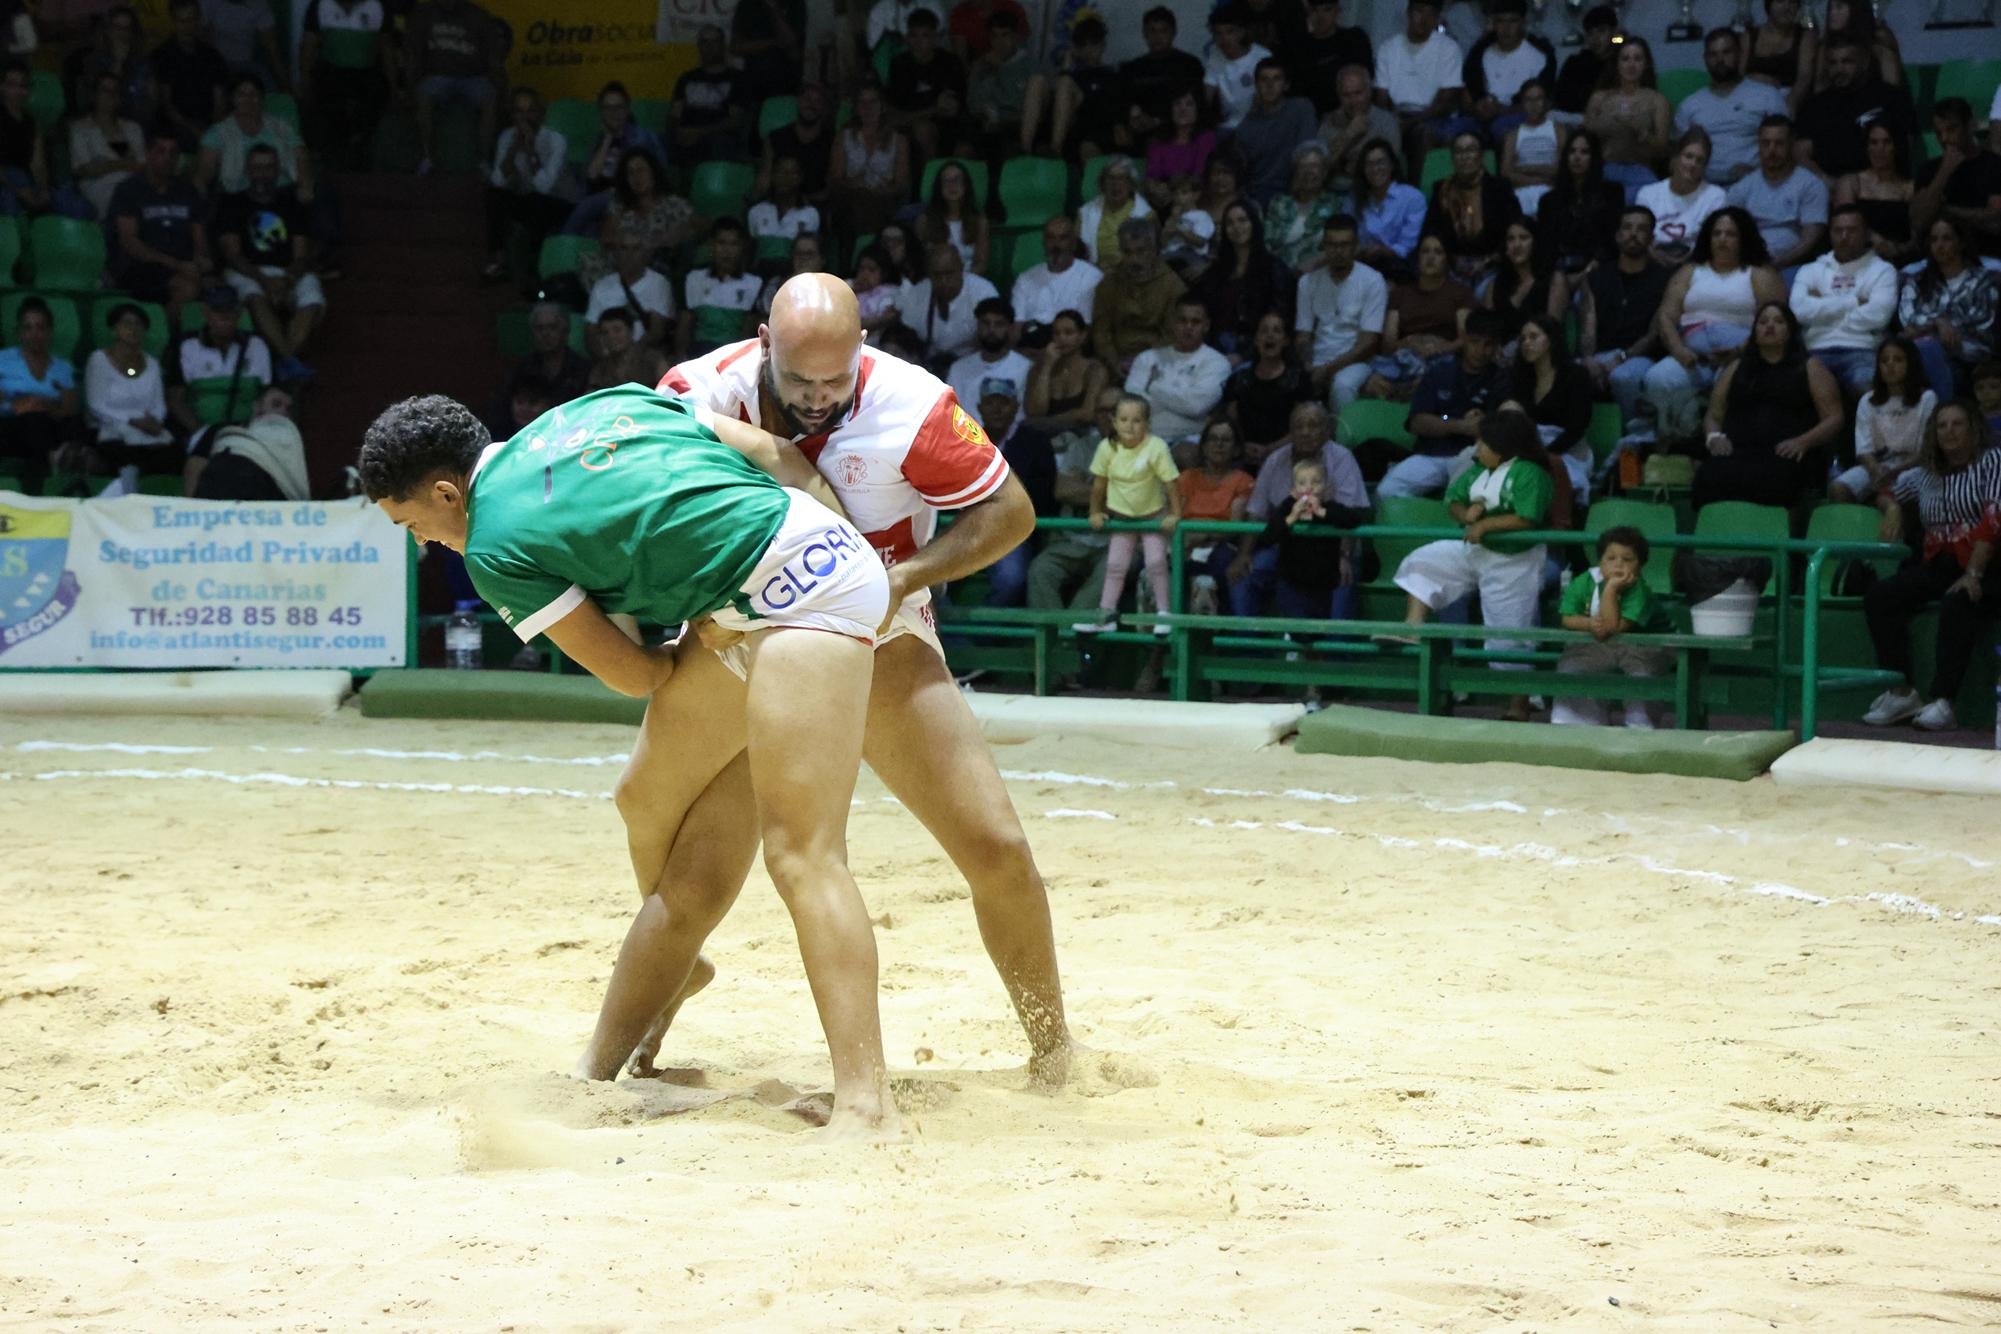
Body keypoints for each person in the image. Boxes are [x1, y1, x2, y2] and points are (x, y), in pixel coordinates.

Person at [360, 384, 901, 1139]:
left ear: (448, 493)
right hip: (753, 586)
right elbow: (763, 451)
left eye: (414, 524)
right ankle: (610, 1055)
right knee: (642, 795)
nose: (423, 543)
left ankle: (867, 1105)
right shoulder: (580, 409)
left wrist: (717, 619)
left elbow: (637, 676)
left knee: (802, 855)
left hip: (804, 593)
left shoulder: (490, 548)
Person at [638, 276, 1075, 1094]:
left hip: (873, 630)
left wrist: (904, 580)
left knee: (996, 847)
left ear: (862, 347)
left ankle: (1051, 1048)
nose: (816, 398)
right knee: (673, 847)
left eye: (834, 382)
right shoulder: (694, 392)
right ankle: (634, 1044)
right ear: (763, 344)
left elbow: (1010, 514)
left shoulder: (912, 405)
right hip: (736, 633)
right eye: (799, 382)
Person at [1387, 406, 1551, 720]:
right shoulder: (1478, 469)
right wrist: (1466, 515)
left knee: (1509, 636)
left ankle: (1518, 706)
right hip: (1474, 550)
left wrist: (1486, 525)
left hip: (1514, 560)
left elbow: (1527, 518)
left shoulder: (1532, 473)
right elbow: (1454, 500)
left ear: (1504, 447)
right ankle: (1412, 627)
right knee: (1423, 561)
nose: (1477, 449)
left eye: (1483, 443)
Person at [1861, 399, 2000, 731]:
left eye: (1957, 424)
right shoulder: (1923, 475)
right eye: (1942, 425)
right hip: (1940, 563)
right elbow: (1883, 491)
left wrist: (1974, 574)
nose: (1949, 432)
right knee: (1880, 596)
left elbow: (1993, 519)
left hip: (1990, 564)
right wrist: (1892, 508)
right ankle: (1901, 691)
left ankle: (1943, 701)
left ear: (1973, 429)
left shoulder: (1993, 461)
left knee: (1958, 601)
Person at [1644, 206, 1786, 446]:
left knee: (1739, 384)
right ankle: (1680, 443)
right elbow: (1666, 317)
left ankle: (1729, 446)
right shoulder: (1689, 271)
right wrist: (1680, 351)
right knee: (1658, 379)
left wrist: (1741, 350)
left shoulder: (1760, 273)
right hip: (1692, 355)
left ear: (1743, 239)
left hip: (1742, 354)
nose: (1722, 239)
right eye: (1717, 233)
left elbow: (1777, 320)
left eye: (1730, 234)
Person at [1695, 300, 1842, 509]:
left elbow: (1834, 418)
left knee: (1775, 479)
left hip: (1787, 453)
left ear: (1790, 331)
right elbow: (1714, 414)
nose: (1770, 326)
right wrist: (1714, 437)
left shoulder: (1810, 367)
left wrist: (1803, 442)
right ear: (1754, 331)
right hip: (1738, 451)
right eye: (1763, 322)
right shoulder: (1736, 367)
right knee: (1708, 476)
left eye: (1778, 321)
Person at [1227, 399, 1365, 615]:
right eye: (1299, 426)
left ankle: (1336, 648)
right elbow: (1255, 512)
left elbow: (1351, 513)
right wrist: (1244, 554)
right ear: (1290, 431)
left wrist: (1343, 555)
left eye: (1313, 425)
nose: (1305, 432)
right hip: (1287, 549)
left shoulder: (1342, 458)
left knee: (1342, 579)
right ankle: (1249, 647)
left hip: (1331, 548)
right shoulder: (1275, 460)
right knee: (1244, 575)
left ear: (1327, 430)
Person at [1075, 391, 1180, 634]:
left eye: (1136, 420)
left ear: (1147, 424)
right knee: (1114, 566)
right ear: (1114, 422)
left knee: (1155, 562)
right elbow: (1099, 485)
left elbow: (1171, 483)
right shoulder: (1106, 448)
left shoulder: (1157, 447)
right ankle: (1106, 616)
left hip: (1152, 517)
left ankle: (1165, 614)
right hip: (1122, 518)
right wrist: (1095, 512)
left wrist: (1174, 514)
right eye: (1123, 420)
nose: (1129, 426)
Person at [1377, 307, 1509, 499]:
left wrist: (1484, 423)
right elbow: (1418, 422)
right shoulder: (1439, 372)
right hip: (1433, 454)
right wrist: (1459, 425)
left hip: (1477, 456)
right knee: (1386, 491)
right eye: (1474, 342)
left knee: (1469, 498)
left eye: (1488, 344)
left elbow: (1505, 425)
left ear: (1497, 346)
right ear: (1463, 339)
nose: (1480, 350)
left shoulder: (1501, 378)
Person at [216, 143, 323, 376]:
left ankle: (285, 361)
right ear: (248, 170)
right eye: (257, 167)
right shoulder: (232, 203)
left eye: (268, 167)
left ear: (277, 170)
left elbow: (301, 255)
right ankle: (289, 360)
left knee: (312, 299)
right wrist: (265, 280)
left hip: (287, 271)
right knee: (254, 297)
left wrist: (287, 279)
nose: (262, 173)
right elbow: (232, 255)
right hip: (248, 271)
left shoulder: (292, 204)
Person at [1551, 526, 1668, 729]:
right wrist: (1588, 623)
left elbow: (1613, 627)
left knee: (1641, 678)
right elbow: (1567, 618)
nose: (1618, 565)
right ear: (1600, 561)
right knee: (1573, 668)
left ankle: (1640, 729)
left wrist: (1611, 588)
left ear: (1640, 565)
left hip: (1645, 648)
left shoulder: (1640, 590)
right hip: (1597, 643)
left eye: (1628, 559)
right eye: (1611, 558)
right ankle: (1578, 726)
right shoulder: (1584, 581)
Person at [109, 125, 214, 326]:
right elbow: (129, 242)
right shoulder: (129, 190)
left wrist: (202, 260)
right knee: (188, 288)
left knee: (220, 291)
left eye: (173, 153)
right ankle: (158, 337)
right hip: (142, 269)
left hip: (183, 268)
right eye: (161, 151)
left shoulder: (188, 191)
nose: (167, 157)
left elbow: (199, 236)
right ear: (148, 154)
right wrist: (177, 265)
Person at [1788, 203, 1896, 396]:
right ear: (1830, 234)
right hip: (1815, 352)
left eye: (1852, 230)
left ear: (1867, 234)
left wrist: (1821, 307)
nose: (1844, 237)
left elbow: (1879, 316)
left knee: (1870, 390)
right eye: (1838, 230)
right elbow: (1798, 313)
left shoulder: (1883, 270)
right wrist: (1853, 302)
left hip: (1862, 351)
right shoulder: (1810, 270)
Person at [1027, 384, 1118, 611]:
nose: (1107, 417)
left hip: (1115, 543)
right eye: (1102, 411)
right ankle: (1051, 640)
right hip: (1073, 541)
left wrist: (1084, 488)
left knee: (1112, 569)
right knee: (1041, 569)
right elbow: (1062, 491)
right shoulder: (1083, 446)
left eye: (1113, 410)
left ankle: (1069, 636)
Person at [1247, 452, 1366, 620]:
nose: (1309, 488)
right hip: (1291, 578)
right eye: (1302, 483)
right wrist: (1291, 518)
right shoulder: (1287, 507)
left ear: (1325, 487)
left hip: (1323, 580)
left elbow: (1354, 520)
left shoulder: (1330, 508)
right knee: (1294, 626)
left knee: (1316, 630)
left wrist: (1322, 512)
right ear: (1294, 489)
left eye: (1316, 482)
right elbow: (1267, 536)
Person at [1579, 204, 1670, 421]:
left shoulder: (1665, 279)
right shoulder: (1596, 276)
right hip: (1601, 354)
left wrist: (1620, 358)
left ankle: (1636, 438)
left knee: (1623, 377)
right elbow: (1587, 327)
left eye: (1641, 229)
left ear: (1651, 238)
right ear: (1618, 236)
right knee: (1571, 373)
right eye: (1627, 228)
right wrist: (1589, 360)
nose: (1633, 234)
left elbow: (1653, 334)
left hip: (1641, 357)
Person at [971, 374, 1055, 606]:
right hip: (967, 526)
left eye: (1004, 402)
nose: (997, 409)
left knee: (1012, 577)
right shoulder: (967, 438)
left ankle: (976, 635)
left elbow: (1043, 494)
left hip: (1012, 530)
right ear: (980, 407)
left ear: (1016, 406)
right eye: (990, 402)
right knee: (930, 579)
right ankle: (952, 637)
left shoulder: (1035, 442)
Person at [1361, 232, 1472, 401]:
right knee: (1370, 379)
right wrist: (1410, 343)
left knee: (1436, 377)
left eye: (1438, 252)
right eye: (1425, 251)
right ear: (1417, 257)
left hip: (1444, 358)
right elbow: (1388, 343)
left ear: (1447, 259)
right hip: (1404, 357)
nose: (1431, 257)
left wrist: (1439, 348)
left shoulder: (1460, 293)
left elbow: (1465, 339)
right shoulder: (1400, 294)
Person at [1794, 33, 1915, 186]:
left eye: (1847, 62)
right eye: (1833, 63)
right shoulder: (1814, 105)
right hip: (1829, 188)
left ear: (1864, 62)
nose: (1839, 69)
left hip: (1881, 187)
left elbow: (1906, 150)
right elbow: (1800, 154)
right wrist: (1829, 183)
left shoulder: (1889, 97)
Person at [1900, 216, 1997, 402]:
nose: (1939, 245)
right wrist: (1939, 323)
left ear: (1960, 243)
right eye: (1934, 239)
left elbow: (1981, 318)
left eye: (1947, 238)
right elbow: (1908, 317)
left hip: (1968, 355)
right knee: (1921, 351)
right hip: (1921, 353)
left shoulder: (1983, 280)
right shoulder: (1917, 281)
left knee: (1929, 352)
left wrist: (1930, 326)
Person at [1674, 28, 1788, 187]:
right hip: (1703, 187)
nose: (1720, 59)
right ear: (1705, 59)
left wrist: (1760, 171)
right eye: (1713, 54)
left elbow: (1786, 147)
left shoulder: (1767, 96)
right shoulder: (1689, 105)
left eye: (1727, 52)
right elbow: (1678, 158)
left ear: (1740, 54)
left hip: (1758, 183)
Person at [1295, 214, 1387, 411]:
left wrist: (1328, 369)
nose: (1338, 251)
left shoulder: (1373, 280)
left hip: (1355, 361)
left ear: (1355, 246)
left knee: (1342, 385)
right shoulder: (1308, 282)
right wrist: (1307, 364)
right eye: (1332, 245)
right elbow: (1303, 335)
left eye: (1344, 245)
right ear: (1324, 246)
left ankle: (1343, 439)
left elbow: (1369, 342)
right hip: (1316, 358)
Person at [477, 86, 567, 284]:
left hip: (559, 201)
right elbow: (498, 182)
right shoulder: (507, 137)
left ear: (540, 113)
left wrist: (531, 153)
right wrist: (511, 153)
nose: (524, 117)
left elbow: (545, 186)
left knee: (537, 201)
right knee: (494, 196)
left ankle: (535, 266)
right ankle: (498, 259)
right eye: (519, 111)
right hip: (527, 198)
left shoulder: (555, 140)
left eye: (530, 110)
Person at [1830, 335, 1935, 503]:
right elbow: (1863, 449)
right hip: (1878, 467)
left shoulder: (1927, 398)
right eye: (1884, 361)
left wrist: (1894, 472)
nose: (1890, 365)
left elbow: (1927, 450)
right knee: (1839, 487)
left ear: (1911, 364)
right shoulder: (1868, 400)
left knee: (1892, 491)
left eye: (1898, 360)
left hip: (1914, 467)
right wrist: (1876, 470)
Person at [1725, 115, 1827, 279]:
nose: (1771, 150)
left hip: (1796, 267)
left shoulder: (1811, 185)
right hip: (1747, 266)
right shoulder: (1742, 188)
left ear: (1791, 145)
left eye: (1779, 143)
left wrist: (1779, 262)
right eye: (1766, 143)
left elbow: (1811, 239)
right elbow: (1727, 231)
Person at [405, 0, 500, 175]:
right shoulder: (424, 13)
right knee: (423, 95)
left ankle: (483, 160)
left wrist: (494, 78)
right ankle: (427, 157)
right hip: (437, 76)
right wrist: (412, 82)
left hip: (472, 78)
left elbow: (493, 54)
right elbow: (414, 52)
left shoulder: (478, 15)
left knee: (489, 98)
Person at [84, 300, 173, 481]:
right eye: (126, 323)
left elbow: (159, 404)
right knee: (128, 458)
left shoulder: (153, 364)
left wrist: (153, 421)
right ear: (114, 329)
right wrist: (132, 420)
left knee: (173, 456)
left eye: (138, 324)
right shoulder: (99, 360)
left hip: (147, 430)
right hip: (110, 429)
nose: (132, 328)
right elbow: (96, 404)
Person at [1124, 295, 1231, 447]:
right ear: (1173, 324)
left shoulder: (1217, 363)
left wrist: (1152, 386)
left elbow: (1195, 406)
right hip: (1144, 437)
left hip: (1191, 441)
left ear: (1206, 326)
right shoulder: (1147, 358)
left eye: (1195, 322)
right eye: (1182, 321)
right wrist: (1189, 416)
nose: (1188, 327)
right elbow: (1132, 406)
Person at [164, 285, 272, 434]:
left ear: (239, 313)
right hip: (201, 431)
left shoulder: (257, 344)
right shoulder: (186, 346)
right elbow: (175, 399)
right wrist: (202, 434)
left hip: (249, 433)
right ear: (206, 313)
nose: (224, 315)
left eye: (230, 309)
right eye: (217, 310)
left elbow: (268, 395)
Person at [298, 0, 390, 172]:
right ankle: (330, 156)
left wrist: (394, 86)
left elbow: (386, 48)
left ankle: (360, 149)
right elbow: (308, 47)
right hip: (331, 72)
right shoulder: (320, 5)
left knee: (377, 97)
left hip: (366, 73)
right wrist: (304, 83)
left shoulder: (378, 5)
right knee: (321, 103)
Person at [0, 297, 78, 494]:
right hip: (12, 426)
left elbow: (68, 409)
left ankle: (55, 460)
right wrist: (18, 406)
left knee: (73, 425)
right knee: (33, 422)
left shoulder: (62, 367)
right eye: (28, 328)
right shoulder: (3, 361)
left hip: (51, 423)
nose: (35, 334)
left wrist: (42, 404)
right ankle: (53, 462)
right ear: (19, 332)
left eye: (40, 327)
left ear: (49, 332)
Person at [1090, 217, 1184, 379]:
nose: (1134, 260)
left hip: (1160, 365)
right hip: (1115, 364)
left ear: (1155, 250)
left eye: (1141, 251)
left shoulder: (1173, 286)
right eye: (1127, 252)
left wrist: (1143, 362)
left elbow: (1173, 335)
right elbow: (1101, 333)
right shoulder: (1109, 284)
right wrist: (1115, 363)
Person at [1378, 0, 1467, 169]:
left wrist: (1410, 123)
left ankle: (1419, 191)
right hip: (1396, 116)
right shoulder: (1388, 48)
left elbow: (1445, 102)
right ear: (1408, 13)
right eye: (1419, 11)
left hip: (1434, 118)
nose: (1423, 19)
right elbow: (1381, 97)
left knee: (1424, 134)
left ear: (1437, 18)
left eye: (1430, 14)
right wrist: (1392, 120)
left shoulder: (1449, 48)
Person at [1910, 98, 2001, 264]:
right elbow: (1918, 221)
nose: (1944, 139)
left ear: (1970, 126)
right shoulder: (1929, 170)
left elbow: (1995, 221)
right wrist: (1944, 172)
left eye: (1951, 129)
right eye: (1939, 133)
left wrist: (1945, 211)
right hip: (1938, 262)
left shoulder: (1994, 165)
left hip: (1987, 257)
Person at [1178, 417, 1255, 611]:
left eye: (1226, 440)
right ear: (1203, 446)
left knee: (1218, 561)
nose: (1218, 445)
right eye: (1213, 439)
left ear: (1236, 448)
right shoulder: (1187, 478)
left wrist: (1203, 535)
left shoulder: (1243, 480)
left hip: (1219, 542)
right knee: (1156, 559)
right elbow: (1174, 514)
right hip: (1184, 540)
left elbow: (1234, 525)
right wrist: (1186, 538)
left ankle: (1204, 619)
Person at [1425, 130, 1520, 284]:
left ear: (1481, 155)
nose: (1464, 156)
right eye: (1458, 152)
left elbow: (1514, 230)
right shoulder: (1442, 190)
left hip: (1494, 267)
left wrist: (1488, 262)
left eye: (1470, 150)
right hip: (1451, 267)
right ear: (1453, 158)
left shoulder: (1500, 188)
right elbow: (1431, 231)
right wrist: (1452, 260)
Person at [825, 84, 910, 256]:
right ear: (856, 108)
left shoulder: (898, 140)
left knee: (873, 205)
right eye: (862, 102)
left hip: (884, 199)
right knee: (854, 205)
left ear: (882, 106)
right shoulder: (844, 137)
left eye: (872, 102)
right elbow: (836, 177)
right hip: (851, 198)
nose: (867, 107)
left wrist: (886, 190)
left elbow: (902, 183)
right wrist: (854, 185)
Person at [1585, 36, 1669, 204]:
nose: (1631, 65)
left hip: (1640, 171)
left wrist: (1643, 133)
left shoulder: (1657, 101)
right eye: (1625, 59)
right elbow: (1584, 140)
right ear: (1617, 63)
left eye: (1638, 59)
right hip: (1604, 170)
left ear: (1646, 64)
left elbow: (1663, 150)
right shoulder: (1599, 99)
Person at [1226, 57, 1317, 209]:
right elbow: (1243, 170)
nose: (1269, 85)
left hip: (1298, 187)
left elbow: (1307, 152)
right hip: (1260, 192)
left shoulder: (1301, 108)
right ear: (1256, 85)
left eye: (1276, 79)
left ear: (1286, 85)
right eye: (1264, 80)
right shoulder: (1246, 126)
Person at [895, 240, 999, 371]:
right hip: (928, 366)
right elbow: (905, 339)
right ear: (928, 273)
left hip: (974, 366)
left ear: (961, 268)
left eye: (949, 273)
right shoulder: (916, 294)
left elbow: (995, 338)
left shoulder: (984, 292)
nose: (944, 281)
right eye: (937, 275)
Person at [1459, 0, 1554, 144]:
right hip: (1481, 116)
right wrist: (1477, 108)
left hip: (1519, 116)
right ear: (1493, 24)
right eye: (1501, 22)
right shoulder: (1480, 54)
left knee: (1504, 129)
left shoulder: (1539, 57)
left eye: (1512, 21)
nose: (1506, 28)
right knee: (1457, 131)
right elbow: (1467, 94)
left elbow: (1543, 104)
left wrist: (1501, 111)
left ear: (1523, 23)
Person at [1223, 310, 1314, 458]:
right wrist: (1243, 446)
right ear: (1256, 339)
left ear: (1286, 340)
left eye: (1277, 331)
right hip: (1245, 455)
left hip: (1288, 454)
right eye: (1264, 331)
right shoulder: (1238, 380)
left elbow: (1303, 426)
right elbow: (1231, 424)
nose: (1270, 335)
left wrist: (1270, 450)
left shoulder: (1299, 380)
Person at [1533, 126, 1622, 277]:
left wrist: (1592, 266)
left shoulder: (1612, 193)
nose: (1577, 157)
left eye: (1584, 152)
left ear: (1594, 157)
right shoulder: (1548, 201)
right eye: (1572, 151)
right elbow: (1546, 245)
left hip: (1598, 267)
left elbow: (1613, 238)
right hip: (1559, 270)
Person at [885, 8, 969, 163]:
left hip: (948, 126)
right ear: (907, 38)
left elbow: (954, 108)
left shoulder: (949, 63)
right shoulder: (899, 65)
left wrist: (931, 110)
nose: (918, 42)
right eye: (914, 35)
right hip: (910, 126)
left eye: (925, 35)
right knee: (918, 128)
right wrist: (933, 109)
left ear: (935, 38)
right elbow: (895, 112)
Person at [1115, 6, 1203, 150]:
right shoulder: (1131, 68)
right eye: (1152, 31)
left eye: (1163, 31)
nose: (1157, 37)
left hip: (1175, 128)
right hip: (1137, 130)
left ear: (1173, 33)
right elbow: (1119, 102)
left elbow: (1197, 106)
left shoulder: (1189, 65)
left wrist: (1157, 121)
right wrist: (1122, 123)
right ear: (1144, 33)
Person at [1636, 127, 1726, 266]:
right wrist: (1653, 255)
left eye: (1699, 160)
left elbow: (1711, 242)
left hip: (1695, 264)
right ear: (1676, 157)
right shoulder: (1648, 193)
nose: (1692, 164)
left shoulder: (1716, 196)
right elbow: (1640, 233)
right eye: (1688, 156)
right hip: (1652, 262)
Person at [965, 9, 1048, 156]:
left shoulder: (1030, 66)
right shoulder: (981, 65)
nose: (999, 42)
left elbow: (1029, 110)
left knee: (1008, 147)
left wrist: (1002, 70)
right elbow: (974, 105)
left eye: (1005, 35)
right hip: (985, 126)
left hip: (1017, 127)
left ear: (1015, 37)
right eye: (994, 36)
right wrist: (991, 73)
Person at [495, 300, 588, 424]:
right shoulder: (522, 369)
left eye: (552, 327)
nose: (545, 334)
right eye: (539, 328)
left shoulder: (582, 369)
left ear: (565, 331)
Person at [1011, 215, 1101, 342]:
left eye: (1063, 238)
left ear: (1074, 244)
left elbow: (1087, 330)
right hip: (1031, 350)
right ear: (1043, 243)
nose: (1056, 245)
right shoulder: (1025, 279)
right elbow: (1017, 329)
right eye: (1050, 238)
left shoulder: (1092, 277)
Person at [151, 0, 228, 151]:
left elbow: (220, 102)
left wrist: (213, 130)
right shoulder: (161, 56)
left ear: (199, 19)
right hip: (176, 127)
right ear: (173, 21)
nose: (188, 25)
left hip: (210, 124)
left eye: (192, 19)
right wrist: (194, 129)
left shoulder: (213, 56)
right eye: (182, 20)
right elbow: (166, 105)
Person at [1833, 120, 1913, 262]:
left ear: (1896, 146)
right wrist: (1876, 240)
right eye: (1874, 142)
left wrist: (1898, 250)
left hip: (1898, 258)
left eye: (1886, 142)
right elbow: (1844, 222)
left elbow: (1915, 232)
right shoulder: (1851, 182)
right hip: (1857, 256)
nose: (1879, 149)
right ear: (1867, 147)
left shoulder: (1908, 187)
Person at [668, 24, 751, 162]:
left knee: (721, 143)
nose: (709, 46)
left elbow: (736, 120)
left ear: (723, 45)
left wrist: (700, 132)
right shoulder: (686, 78)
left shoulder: (738, 79)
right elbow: (674, 114)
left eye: (714, 41)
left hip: (717, 136)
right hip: (687, 135)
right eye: (705, 42)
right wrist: (677, 132)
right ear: (699, 46)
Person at [947, 296, 1030, 428]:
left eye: (999, 324)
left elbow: (1022, 416)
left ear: (1010, 328)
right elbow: (952, 414)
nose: (991, 330)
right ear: (977, 326)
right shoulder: (958, 369)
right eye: (985, 323)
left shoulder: (1026, 368)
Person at [588, 231, 675, 357]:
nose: (629, 254)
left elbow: (657, 331)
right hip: (609, 357)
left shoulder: (659, 283)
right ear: (616, 253)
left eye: (636, 249)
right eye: (624, 248)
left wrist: (629, 357)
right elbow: (591, 330)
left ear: (646, 254)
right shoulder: (601, 285)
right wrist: (604, 358)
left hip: (643, 356)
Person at [1318, 65, 1400, 197]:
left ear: (1369, 91)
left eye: (1358, 93)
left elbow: (1389, 169)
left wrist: (1344, 166)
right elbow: (1320, 169)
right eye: (1346, 95)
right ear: (1339, 95)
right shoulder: (1329, 122)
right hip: (1333, 194)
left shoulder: (1386, 121)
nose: (1353, 101)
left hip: (1371, 193)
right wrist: (1349, 134)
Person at [1022, 307, 1105, 435]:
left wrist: (1049, 422)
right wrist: (1047, 367)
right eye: (1056, 333)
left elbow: (1087, 413)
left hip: (1080, 436)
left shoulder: (1094, 369)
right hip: (1043, 437)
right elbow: (1034, 412)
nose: (1062, 338)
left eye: (1068, 333)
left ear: (1082, 336)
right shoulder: (1038, 369)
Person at [1047, 13, 1121, 157]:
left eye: (1094, 43)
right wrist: (1068, 61)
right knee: (1063, 83)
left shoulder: (1112, 74)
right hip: (1072, 131)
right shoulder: (1071, 77)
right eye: (1083, 45)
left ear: (1103, 45)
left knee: (1089, 146)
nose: (1088, 49)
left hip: (1099, 133)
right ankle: (1054, 149)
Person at [1483, 218, 1565, 345]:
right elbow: (1486, 329)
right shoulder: (1494, 285)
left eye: (1524, 238)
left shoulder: (1554, 280)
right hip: (1499, 357)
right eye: (1511, 239)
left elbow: (1552, 332)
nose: (1516, 245)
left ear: (1535, 243)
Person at [1352, 138, 1427, 276]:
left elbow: (1407, 247)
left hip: (1401, 268)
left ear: (1392, 165)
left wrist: (1382, 251)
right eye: (1369, 164)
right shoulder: (1356, 200)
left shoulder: (1412, 198)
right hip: (1362, 267)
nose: (1375, 169)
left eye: (1381, 162)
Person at [1263, 143, 1340, 274]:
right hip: (1280, 277)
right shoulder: (1279, 203)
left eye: (1314, 166)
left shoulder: (1335, 204)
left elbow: (1339, 245)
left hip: (1320, 275)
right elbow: (1267, 245)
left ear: (1324, 172)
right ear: (1296, 172)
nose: (1308, 171)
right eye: (1303, 166)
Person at [1289, 2, 1374, 119]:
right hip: (1312, 118)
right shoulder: (1298, 47)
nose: (1320, 16)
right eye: (1314, 10)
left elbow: (1367, 82)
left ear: (1337, 11)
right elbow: (1295, 94)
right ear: (1307, 11)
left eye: (1327, 9)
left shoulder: (1354, 39)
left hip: (1355, 111)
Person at [755, 80, 832, 208]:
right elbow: (765, 177)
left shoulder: (832, 141)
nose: (811, 105)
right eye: (807, 99)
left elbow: (831, 186)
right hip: (778, 204)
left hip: (814, 206)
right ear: (798, 101)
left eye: (817, 101)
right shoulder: (775, 138)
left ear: (824, 107)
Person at [1203, 4, 1271, 133]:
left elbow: (1265, 100)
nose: (1224, 39)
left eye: (1230, 32)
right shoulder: (1215, 54)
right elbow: (1207, 93)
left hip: (1258, 124)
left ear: (1242, 31)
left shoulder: (1262, 57)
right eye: (1218, 33)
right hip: (1227, 125)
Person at [1076, 156, 1152, 271]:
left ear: (1131, 184)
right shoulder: (1085, 212)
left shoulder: (1145, 214)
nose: (1115, 184)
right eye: (1110, 178)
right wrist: (1095, 268)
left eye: (1121, 178)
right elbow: (1076, 252)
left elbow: (1150, 254)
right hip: (1093, 273)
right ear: (1103, 183)